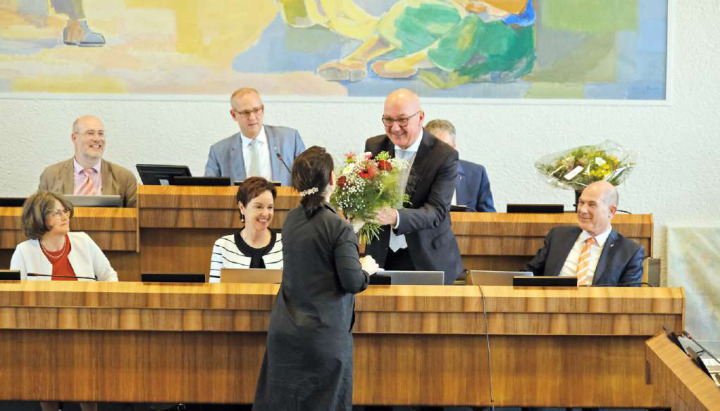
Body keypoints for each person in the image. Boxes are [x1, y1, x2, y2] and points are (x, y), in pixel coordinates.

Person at [252, 146, 379, 411]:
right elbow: (352, 282)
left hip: (286, 333)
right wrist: (365, 268)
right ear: (332, 179)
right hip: (323, 338)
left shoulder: (290, 219)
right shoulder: (338, 227)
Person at [11, 191, 117, 411]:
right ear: (39, 218)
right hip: (41, 329)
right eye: (55, 212)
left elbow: (109, 276)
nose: (64, 216)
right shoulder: (24, 252)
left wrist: (104, 305)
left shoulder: (83, 241)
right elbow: (15, 297)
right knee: (46, 379)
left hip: (85, 325)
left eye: (64, 211)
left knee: (86, 382)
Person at [364, 89, 463, 285]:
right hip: (380, 255)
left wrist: (396, 217)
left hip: (427, 257)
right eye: (388, 120)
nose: (394, 128)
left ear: (420, 117)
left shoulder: (444, 155)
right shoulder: (374, 146)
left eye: (402, 120)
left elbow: (437, 211)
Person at [525, 181, 644, 286]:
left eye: (592, 204)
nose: (582, 210)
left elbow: (629, 299)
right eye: (581, 203)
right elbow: (528, 275)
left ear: (611, 211)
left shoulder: (629, 252)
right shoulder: (558, 237)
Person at [205, 88, 306, 185]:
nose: (252, 117)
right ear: (233, 115)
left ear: (262, 109)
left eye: (256, 110)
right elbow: (207, 191)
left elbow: (309, 181)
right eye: (245, 112)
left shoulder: (290, 139)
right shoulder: (219, 152)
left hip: (285, 202)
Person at [38, 115, 138, 207]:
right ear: (74, 138)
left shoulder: (124, 177)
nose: (97, 139)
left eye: (100, 133)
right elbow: (38, 217)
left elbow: (136, 219)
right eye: (90, 133)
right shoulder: (50, 175)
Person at [209, 177, 282, 283]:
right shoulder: (222, 246)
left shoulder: (286, 244)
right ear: (242, 207)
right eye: (259, 207)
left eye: (270, 207)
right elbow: (214, 294)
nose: (266, 214)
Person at [425, 119, 496, 212]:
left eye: (445, 147)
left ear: (454, 147)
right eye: (434, 147)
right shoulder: (412, 172)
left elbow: (488, 218)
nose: (440, 153)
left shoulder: (476, 174)